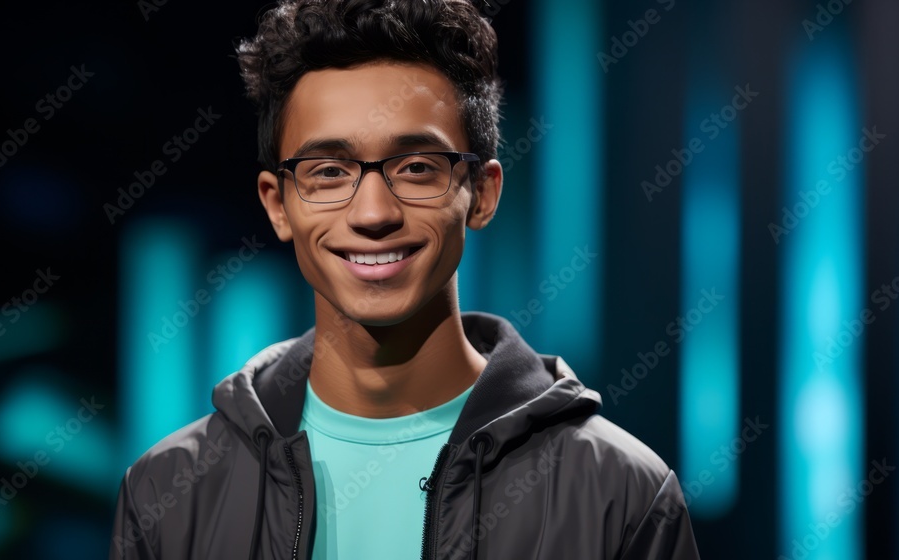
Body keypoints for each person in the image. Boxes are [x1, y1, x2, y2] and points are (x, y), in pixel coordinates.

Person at [110, 1, 701, 558]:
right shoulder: (167, 492)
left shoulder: (623, 494)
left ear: (483, 193)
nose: (373, 214)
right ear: (278, 204)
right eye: (329, 171)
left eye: (417, 168)